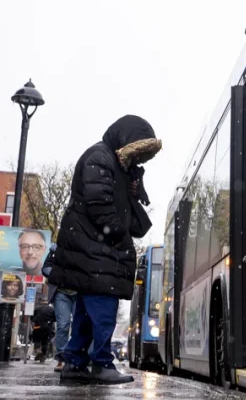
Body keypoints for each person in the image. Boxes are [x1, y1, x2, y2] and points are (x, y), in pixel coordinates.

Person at [46, 115, 161, 385]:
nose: (138, 160)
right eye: (137, 153)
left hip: (91, 249)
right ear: (127, 142)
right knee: (103, 307)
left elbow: (133, 221)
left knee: (87, 311)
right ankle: (101, 363)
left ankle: (74, 361)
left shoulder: (113, 164)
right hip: (96, 249)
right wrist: (118, 238)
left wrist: (133, 190)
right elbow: (101, 207)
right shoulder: (100, 157)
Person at [42, 246, 78, 373]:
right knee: (63, 325)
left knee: (79, 326)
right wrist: (57, 274)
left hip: (80, 293)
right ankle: (61, 358)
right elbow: (45, 268)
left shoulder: (85, 244)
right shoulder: (56, 248)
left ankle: (77, 358)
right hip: (61, 293)